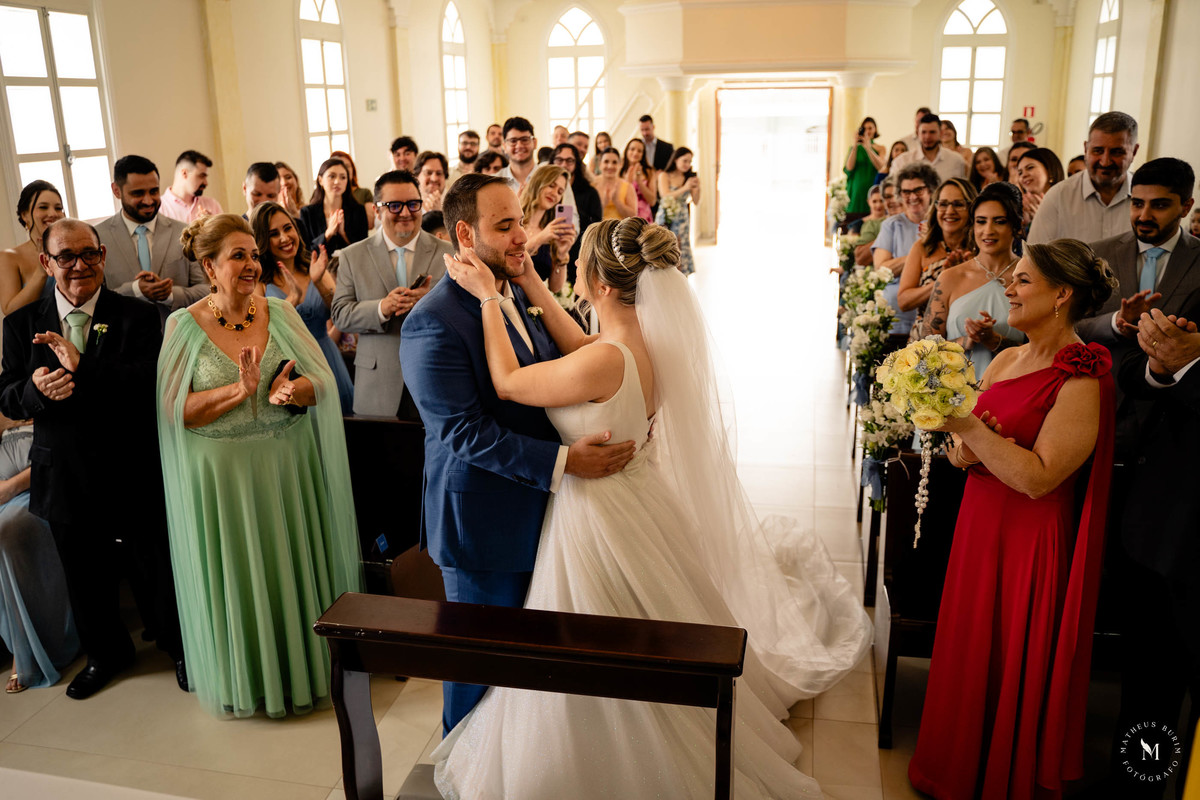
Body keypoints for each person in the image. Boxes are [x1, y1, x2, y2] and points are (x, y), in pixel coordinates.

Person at [430, 214, 871, 797]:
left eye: (582, 266)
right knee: (646, 623)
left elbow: (510, 383)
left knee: (597, 641)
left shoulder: (603, 361)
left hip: (596, 514)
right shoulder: (638, 344)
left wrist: (489, 298)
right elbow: (584, 346)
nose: (575, 275)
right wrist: (534, 284)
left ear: (603, 285)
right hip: (634, 498)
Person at [399, 174, 639, 735]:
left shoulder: (511, 292)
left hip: (545, 513)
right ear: (464, 234)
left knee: (528, 672)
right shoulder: (431, 323)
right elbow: (464, 433)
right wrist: (564, 464)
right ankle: (461, 772)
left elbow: (562, 367)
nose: (519, 237)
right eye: (503, 226)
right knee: (478, 667)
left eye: (519, 223)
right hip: (483, 525)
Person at [909, 239, 1118, 800]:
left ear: (1061, 296)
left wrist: (972, 430)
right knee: (970, 644)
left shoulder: (1083, 376)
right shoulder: (1004, 358)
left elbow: (1038, 478)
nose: (1008, 288)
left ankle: (999, 770)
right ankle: (953, 765)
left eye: (1023, 281)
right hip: (979, 523)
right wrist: (965, 440)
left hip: (1028, 537)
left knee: (1008, 651)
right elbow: (962, 452)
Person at [157, 213, 361, 719]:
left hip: (287, 466)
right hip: (221, 478)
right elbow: (174, 411)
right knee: (236, 577)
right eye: (238, 256)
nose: (252, 265)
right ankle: (245, 681)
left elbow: (325, 383)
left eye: (253, 254)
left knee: (293, 568)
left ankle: (306, 674)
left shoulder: (281, 314)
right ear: (209, 265)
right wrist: (238, 391)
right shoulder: (182, 327)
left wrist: (294, 390)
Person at [0, 218, 184, 700]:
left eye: (89, 254)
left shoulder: (139, 316)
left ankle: (178, 647)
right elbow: (7, 397)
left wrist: (86, 368)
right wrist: (36, 391)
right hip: (63, 471)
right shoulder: (21, 324)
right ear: (47, 262)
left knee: (154, 565)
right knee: (84, 573)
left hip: (131, 464)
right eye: (67, 257)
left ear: (103, 255)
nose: (80, 265)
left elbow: (148, 382)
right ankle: (106, 653)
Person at [1110, 304, 1200, 798]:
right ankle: (1134, 789)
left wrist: (1191, 364)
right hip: (1160, 531)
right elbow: (1135, 372)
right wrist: (1161, 363)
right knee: (1147, 694)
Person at [1077, 158, 1200, 452]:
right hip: (1101, 399)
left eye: (1159, 205)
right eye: (1136, 203)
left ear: (1185, 207)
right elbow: (1069, 323)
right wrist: (1115, 321)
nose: (1143, 215)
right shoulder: (1096, 253)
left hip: (1172, 416)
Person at [331, 170, 452, 418]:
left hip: (437, 378)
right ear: (377, 211)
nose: (406, 213)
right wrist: (382, 308)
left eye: (413, 204)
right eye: (394, 206)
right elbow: (341, 315)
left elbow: (468, 309)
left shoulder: (448, 252)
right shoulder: (353, 256)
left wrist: (431, 303)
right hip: (377, 382)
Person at [252, 201, 354, 414]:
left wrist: (318, 282)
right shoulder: (259, 282)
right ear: (262, 240)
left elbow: (340, 314)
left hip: (327, 358)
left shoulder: (314, 265)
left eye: (288, 228)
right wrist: (293, 300)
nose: (284, 238)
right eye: (273, 233)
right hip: (291, 368)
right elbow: (260, 332)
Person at [0, 418, 78, 694]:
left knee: (9, 528)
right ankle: (19, 646)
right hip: (4, 486)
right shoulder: (7, 383)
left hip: (47, 479)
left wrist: (10, 487)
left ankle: (24, 652)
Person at [920, 182, 1026, 377]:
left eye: (999, 221)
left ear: (1016, 226)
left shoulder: (1031, 279)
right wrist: (965, 341)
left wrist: (994, 340)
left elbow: (1042, 353)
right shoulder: (950, 278)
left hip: (1015, 390)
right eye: (981, 221)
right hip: (953, 395)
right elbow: (923, 351)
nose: (988, 230)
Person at [96, 155, 208, 327]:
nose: (148, 201)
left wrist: (170, 294)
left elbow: (207, 290)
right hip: (122, 342)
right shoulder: (98, 237)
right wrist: (135, 290)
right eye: (138, 193)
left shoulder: (184, 232)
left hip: (177, 339)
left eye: (154, 191)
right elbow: (92, 297)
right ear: (116, 191)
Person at [1029, 113, 1141, 245]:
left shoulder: (1146, 199)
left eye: (1116, 152)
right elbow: (1032, 259)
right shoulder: (1058, 197)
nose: (1105, 162)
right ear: (1086, 148)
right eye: (1098, 151)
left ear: (1134, 152)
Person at [897, 178, 976, 339]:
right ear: (935, 208)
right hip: (924, 342)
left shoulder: (979, 249)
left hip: (969, 338)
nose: (949, 211)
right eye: (943, 204)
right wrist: (943, 281)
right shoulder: (922, 247)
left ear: (971, 208)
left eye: (958, 204)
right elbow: (904, 301)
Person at [874, 163, 939, 348]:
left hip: (933, 317)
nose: (912, 197)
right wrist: (918, 250)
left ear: (931, 190)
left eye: (918, 190)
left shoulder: (942, 223)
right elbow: (882, 270)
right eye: (905, 191)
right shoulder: (892, 225)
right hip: (895, 319)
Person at [0, 181, 64, 315]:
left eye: (58, 208)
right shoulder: (9, 257)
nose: (53, 213)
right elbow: (11, 312)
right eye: (43, 207)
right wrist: (42, 271)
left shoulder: (73, 251)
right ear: (25, 215)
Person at [518, 164, 575, 294]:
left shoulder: (552, 232)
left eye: (560, 192)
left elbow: (555, 287)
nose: (554, 194)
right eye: (551, 185)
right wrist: (541, 238)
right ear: (538, 182)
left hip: (534, 306)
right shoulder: (514, 221)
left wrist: (561, 255)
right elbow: (507, 262)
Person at [552, 143, 602, 285]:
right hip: (550, 251)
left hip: (579, 250)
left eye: (569, 161)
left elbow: (596, 226)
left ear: (576, 163)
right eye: (559, 160)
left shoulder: (589, 192)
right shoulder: (546, 192)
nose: (564, 165)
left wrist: (573, 212)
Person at [299, 157, 368, 254]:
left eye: (343, 177)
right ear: (320, 180)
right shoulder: (307, 212)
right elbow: (306, 251)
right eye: (332, 176)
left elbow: (364, 249)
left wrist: (343, 234)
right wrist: (328, 234)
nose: (337, 182)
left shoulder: (358, 210)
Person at [655, 146, 701, 275]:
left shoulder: (689, 178)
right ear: (676, 159)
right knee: (664, 245)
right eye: (684, 161)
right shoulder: (664, 175)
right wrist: (685, 187)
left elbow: (696, 201)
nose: (687, 164)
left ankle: (681, 278)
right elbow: (665, 194)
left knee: (680, 246)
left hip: (682, 217)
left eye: (690, 162)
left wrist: (697, 188)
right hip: (665, 214)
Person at [890, 113, 968, 182]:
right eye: (923, 132)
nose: (927, 137)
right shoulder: (902, 162)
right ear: (918, 133)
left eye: (932, 132)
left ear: (941, 133)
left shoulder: (956, 160)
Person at [1015, 147, 1066, 238]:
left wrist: (1043, 220)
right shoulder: (1019, 208)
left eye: (1030, 168)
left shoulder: (1066, 203)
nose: (1024, 175)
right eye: (1020, 173)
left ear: (1050, 170)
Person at [159, 150, 222, 223]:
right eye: (201, 176)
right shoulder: (159, 209)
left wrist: (212, 225)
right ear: (184, 173)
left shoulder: (213, 205)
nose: (206, 183)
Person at [843, 117, 887, 218]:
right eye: (865, 128)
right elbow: (849, 168)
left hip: (873, 192)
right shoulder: (855, 149)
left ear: (875, 129)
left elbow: (880, 167)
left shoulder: (880, 148)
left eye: (870, 128)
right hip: (856, 194)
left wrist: (868, 148)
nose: (867, 131)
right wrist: (855, 145)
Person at [330, 150, 376, 231]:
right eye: (338, 165)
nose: (343, 169)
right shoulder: (324, 197)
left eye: (347, 166)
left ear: (353, 169)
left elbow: (370, 224)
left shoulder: (364, 193)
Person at [620, 138, 657, 221]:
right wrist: (628, 183)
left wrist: (639, 182)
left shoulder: (649, 171)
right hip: (624, 216)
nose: (635, 153)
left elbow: (652, 201)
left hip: (644, 218)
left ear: (643, 155)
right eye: (632, 149)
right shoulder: (619, 170)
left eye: (639, 151)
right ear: (626, 151)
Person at [595, 147, 637, 220]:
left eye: (614, 162)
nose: (610, 166)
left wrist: (617, 202)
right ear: (600, 164)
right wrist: (603, 204)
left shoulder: (627, 186)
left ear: (620, 164)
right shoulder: (592, 184)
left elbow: (633, 215)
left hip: (621, 230)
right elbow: (587, 215)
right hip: (597, 229)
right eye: (606, 162)